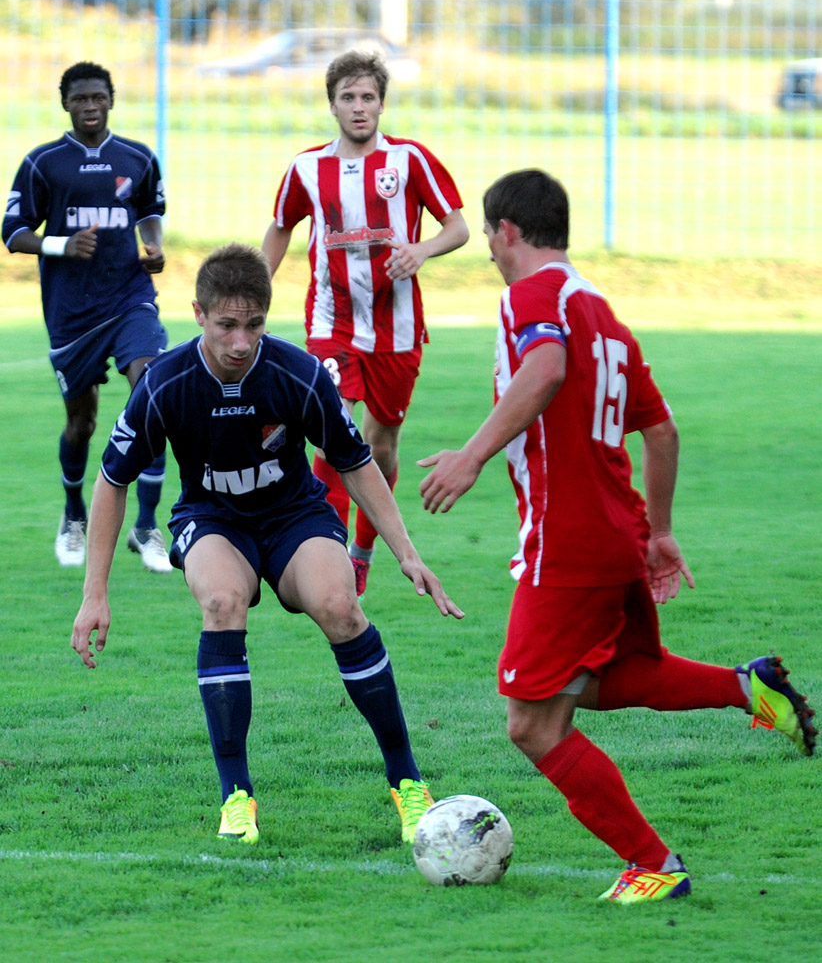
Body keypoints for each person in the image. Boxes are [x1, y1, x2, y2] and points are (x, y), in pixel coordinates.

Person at [418, 169, 817, 903]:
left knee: (532, 724)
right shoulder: (603, 314)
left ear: (507, 231)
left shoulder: (531, 295)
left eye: (491, 240)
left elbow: (545, 369)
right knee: (608, 677)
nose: (491, 254)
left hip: (568, 540)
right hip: (620, 532)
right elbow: (661, 430)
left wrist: (470, 456)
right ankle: (747, 686)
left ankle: (653, 862)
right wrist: (659, 534)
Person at [71, 242, 464, 847]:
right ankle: (236, 797)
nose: (241, 342)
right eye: (226, 326)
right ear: (198, 314)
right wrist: (94, 592)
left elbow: (355, 462)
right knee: (222, 602)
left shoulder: (298, 373)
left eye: (254, 325)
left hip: (293, 514)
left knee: (340, 607)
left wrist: (406, 553)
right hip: (212, 518)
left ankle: (409, 784)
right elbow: (111, 480)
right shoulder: (164, 383)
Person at [262, 50, 469, 598]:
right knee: (332, 431)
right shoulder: (307, 168)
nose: (359, 107)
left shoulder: (409, 160)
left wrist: (421, 250)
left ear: (382, 104)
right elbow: (281, 226)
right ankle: (326, 552)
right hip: (331, 323)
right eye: (348, 97)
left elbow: (458, 227)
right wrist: (256, 288)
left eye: (368, 97)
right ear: (332, 105)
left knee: (380, 447)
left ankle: (363, 549)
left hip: (397, 330)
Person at [2, 61, 172, 573]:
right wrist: (61, 243)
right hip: (71, 314)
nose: (91, 106)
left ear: (111, 100)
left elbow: (150, 212)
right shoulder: (43, 163)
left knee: (152, 394)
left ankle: (147, 525)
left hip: (129, 299)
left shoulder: (138, 158)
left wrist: (154, 248)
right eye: (80, 98)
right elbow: (13, 232)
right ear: (66, 104)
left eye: (99, 97)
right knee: (82, 423)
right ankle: (74, 513)